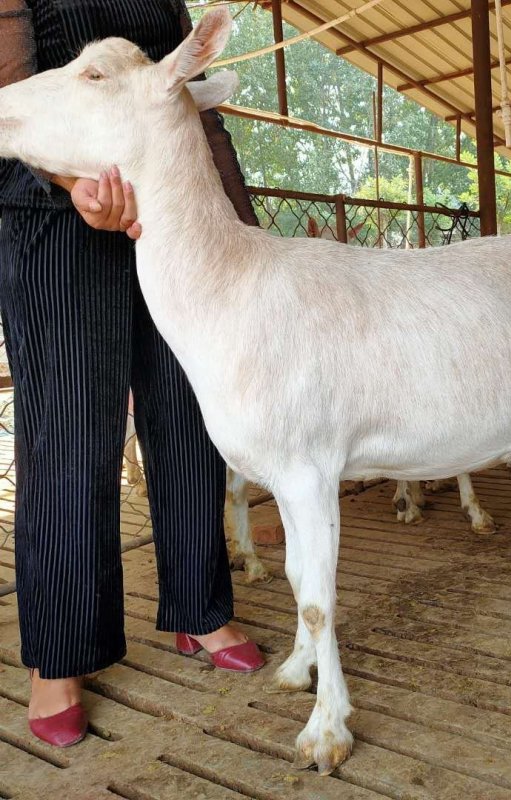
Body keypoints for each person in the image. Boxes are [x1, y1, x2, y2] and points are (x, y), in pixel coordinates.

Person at [0, 0, 265, 748]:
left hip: (171, 223)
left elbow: (189, 104)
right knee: (72, 433)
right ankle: (59, 657)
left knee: (186, 412)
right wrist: (68, 183)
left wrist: (239, 229)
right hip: (55, 218)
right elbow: (9, 102)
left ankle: (199, 608)